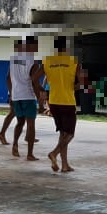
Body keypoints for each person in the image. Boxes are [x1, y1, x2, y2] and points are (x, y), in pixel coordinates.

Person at [43, 36, 86, 173]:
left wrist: (41, 91)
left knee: (63, 133)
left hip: (54, 101)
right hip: (67, 101)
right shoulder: (73, 62)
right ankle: (54, 153)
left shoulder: (47, 61)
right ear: (66, 47)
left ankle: (65, 165)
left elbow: (35, 78)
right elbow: (82, 82)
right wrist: (73, 87)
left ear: (56, 48)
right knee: (70, 134)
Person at [5, 37, 46, 161]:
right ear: (29, 46)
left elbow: (8, 78)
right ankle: (30, 154)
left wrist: (12, 94)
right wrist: (40, 100)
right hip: (28, 96)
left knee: (20, 122)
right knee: (31, 124)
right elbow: (34, 81)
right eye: (35, 46)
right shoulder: (32, 63)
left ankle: (15, 145)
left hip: (17, 96)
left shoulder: (14, 61)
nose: (37, 49)